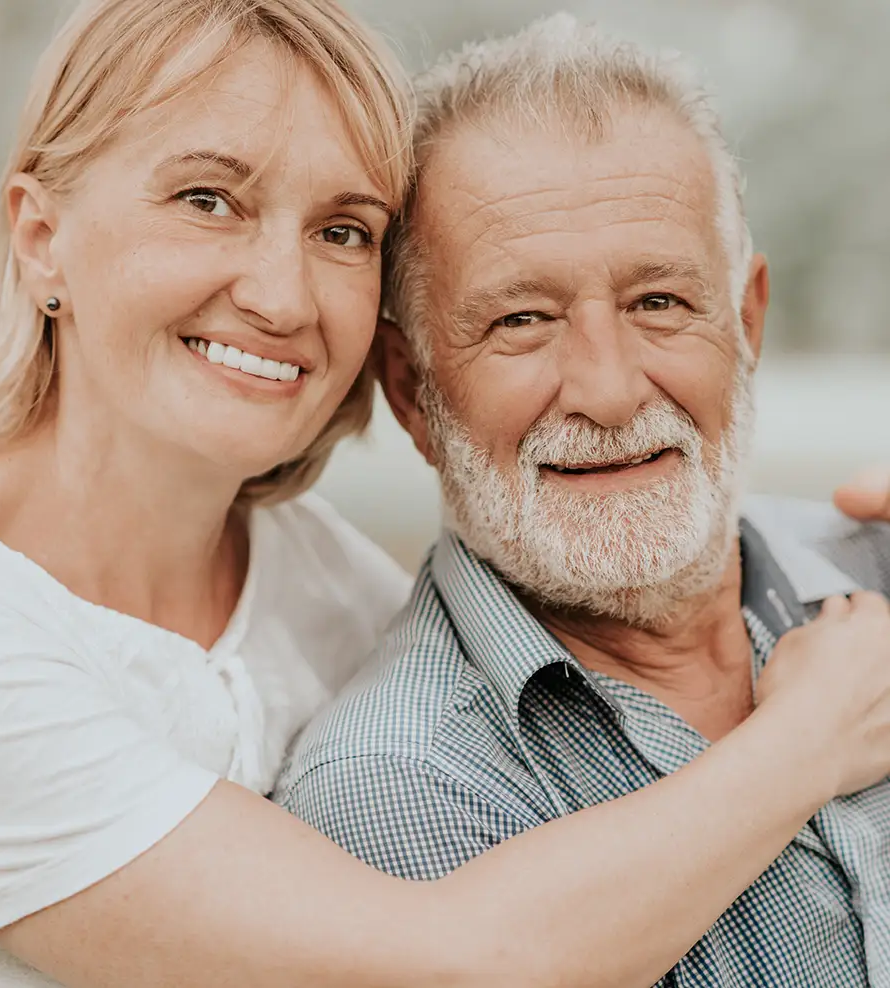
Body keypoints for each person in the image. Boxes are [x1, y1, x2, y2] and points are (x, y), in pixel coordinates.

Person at [0, 2, 890, 987]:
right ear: (40, 236)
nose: (282, 297)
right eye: (208, 200)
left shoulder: (323, 581)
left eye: (341, 229)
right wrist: (814, 730)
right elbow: (455, 962)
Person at [277, 15, 890, 988]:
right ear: (411, 390)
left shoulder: (875, 557)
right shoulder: (399, 789)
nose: (607, 392)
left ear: (746, 322)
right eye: (522, 320)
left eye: (658, 303)